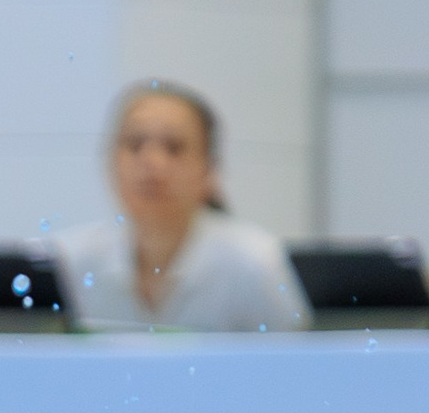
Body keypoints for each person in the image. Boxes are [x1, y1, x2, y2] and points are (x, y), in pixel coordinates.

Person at [52, 82, 309, 332]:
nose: (152, 163)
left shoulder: (253, 264)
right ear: (110, 163)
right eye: (135, 144)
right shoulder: (68, 263)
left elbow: (295, 369)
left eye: (174, 148)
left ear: (210, 170)